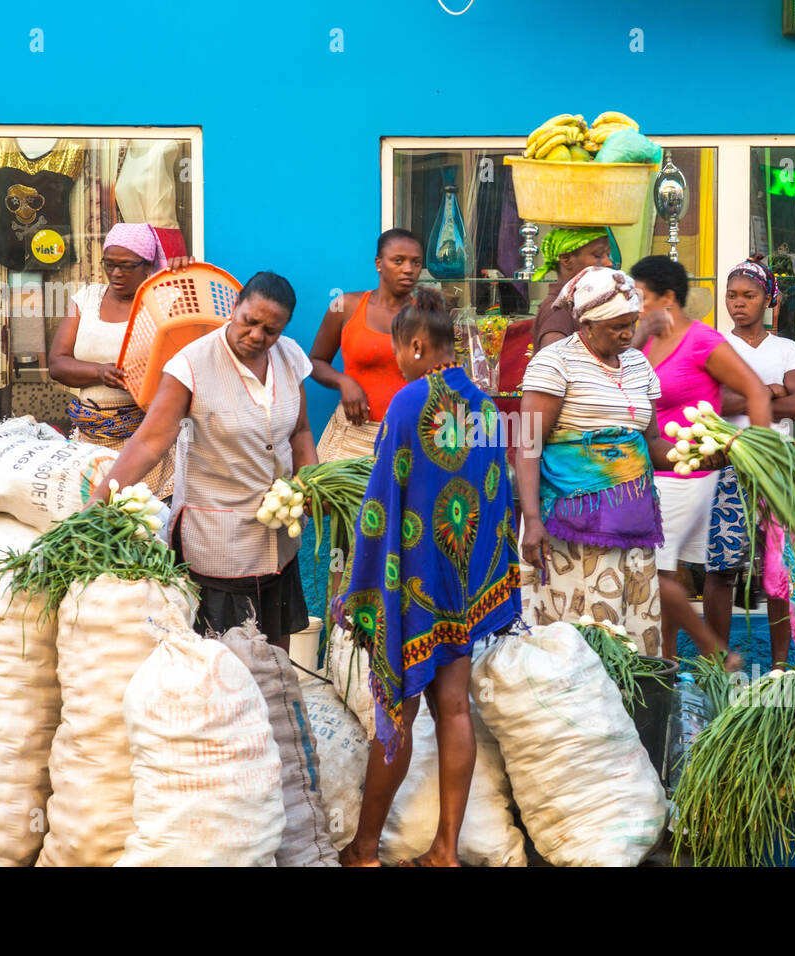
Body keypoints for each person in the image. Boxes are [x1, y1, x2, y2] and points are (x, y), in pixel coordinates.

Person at [335, 287, 521, 868]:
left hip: (410, 582)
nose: (399, 362)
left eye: (398, 353)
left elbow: (380, 499)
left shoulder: (411, 403)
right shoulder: (486, 407)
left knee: (398, 710)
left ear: (417, 344)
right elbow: (497, 501)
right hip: (462, 581)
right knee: (455, 708)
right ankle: (445, 850)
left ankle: (365, 852)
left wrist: (360, 584)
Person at [91, 271, 315, 645]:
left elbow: (301, 430)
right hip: (218, 541)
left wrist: (310, 484)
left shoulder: (290, 356)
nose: (258, 336)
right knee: (223, 662)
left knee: (274, 660)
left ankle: (275, 705)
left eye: (271, 330)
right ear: (234, 307)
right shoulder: (191, 364)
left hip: (278, 542)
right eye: (250, 322)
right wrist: (101, 498)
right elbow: (149, 442)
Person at [518, 266, 699, 657]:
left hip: (632, 529)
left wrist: (696, 454)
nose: (626, 334)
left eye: (631, 323)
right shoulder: (555, 363)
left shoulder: (637, 365)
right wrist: (532, 520)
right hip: (569, 532)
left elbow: (650, 442)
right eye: (617, 326)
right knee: (577, 644)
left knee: (633, 644)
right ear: (588, 323)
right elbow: (528, 445)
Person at [628, 254, 771, 665]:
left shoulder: (702, 340)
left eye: (641, 297)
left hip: (687, 473)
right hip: (651, 469)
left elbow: (757, 393)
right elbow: (621, 375)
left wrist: (757, 458)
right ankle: (668, 666)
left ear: (667, 297)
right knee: (666, 573)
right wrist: (639, 335)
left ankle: (717, 653)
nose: (635, 306)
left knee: (653, 570)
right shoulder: (647, 339)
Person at [707, 255, 795, 664]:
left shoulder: (785, 348)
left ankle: (782, 664)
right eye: (732, 295)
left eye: (749, 295)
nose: (738, 303)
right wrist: (769, 391)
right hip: (730, 462)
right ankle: (716, 661)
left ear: (768, 299)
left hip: (777, 467)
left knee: (779, 568)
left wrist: (748, 399)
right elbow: (713, 403)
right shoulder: (717, 346)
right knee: (723, 566)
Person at [49, 223, 189, 498]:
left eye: (126, 266)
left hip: (146, 440)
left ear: (148, 266)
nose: (115, 273)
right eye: (109, 264)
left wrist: (185, 277)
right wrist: (100, 372)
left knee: (142, 516)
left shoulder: (165, 301)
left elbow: (189, 362)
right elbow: (57, 363)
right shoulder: (86, 299)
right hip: (90, 441)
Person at [309, 229, 423, 461]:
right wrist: (344, 382)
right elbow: (315, 362)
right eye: (398, 261)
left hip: (410, 439)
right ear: (379, 264)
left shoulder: (428, 313)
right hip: (352, 439)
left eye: (416, 262)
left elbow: (445, 374)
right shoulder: (345, 306)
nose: (409, 269)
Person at [529, 228, 613, 353]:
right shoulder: (558, 311)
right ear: (566, 259)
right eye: (598, 255)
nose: (608, 263)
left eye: (608, 255)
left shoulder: (578, 304)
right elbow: (553, 366)